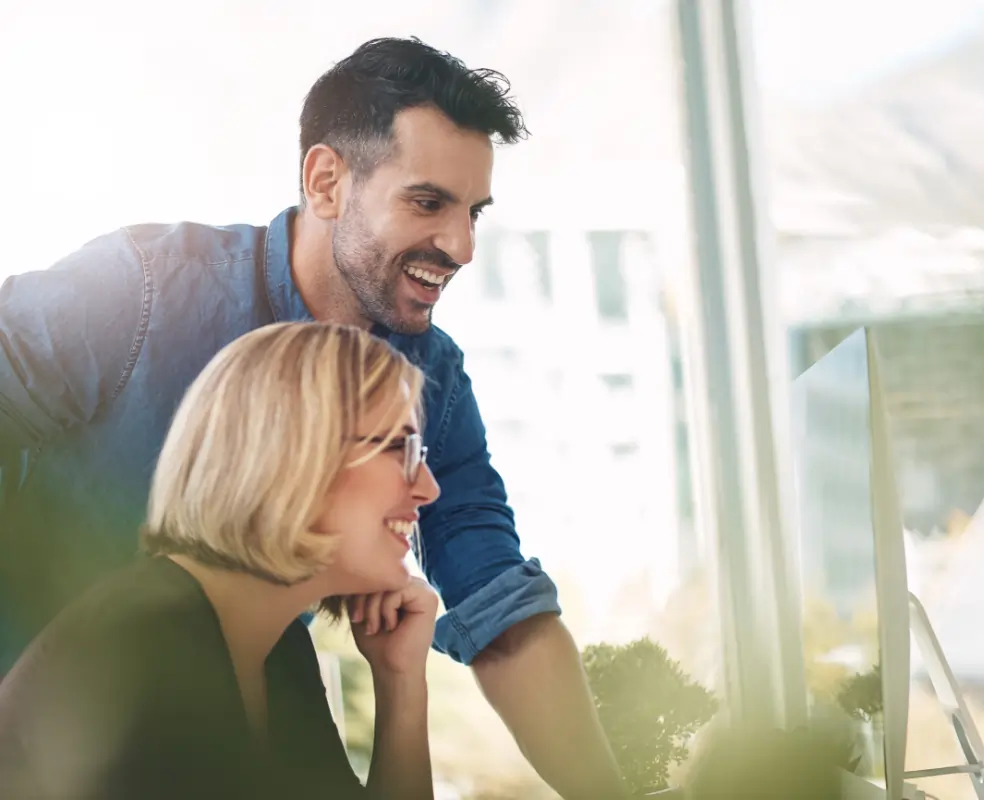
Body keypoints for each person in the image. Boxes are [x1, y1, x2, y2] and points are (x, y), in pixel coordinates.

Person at [0, 36, 628, 798]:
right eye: (427, 202)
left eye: (474, 213)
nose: (461, 245)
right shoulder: (139, 294)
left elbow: (502, 613)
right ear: (327, 182)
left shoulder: (281, 657)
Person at [0, 322, 440, 799]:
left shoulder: (277, 650)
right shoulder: (147, 650)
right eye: (403, 448)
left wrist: (401, 687)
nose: (428, 488)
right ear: (292, 451)